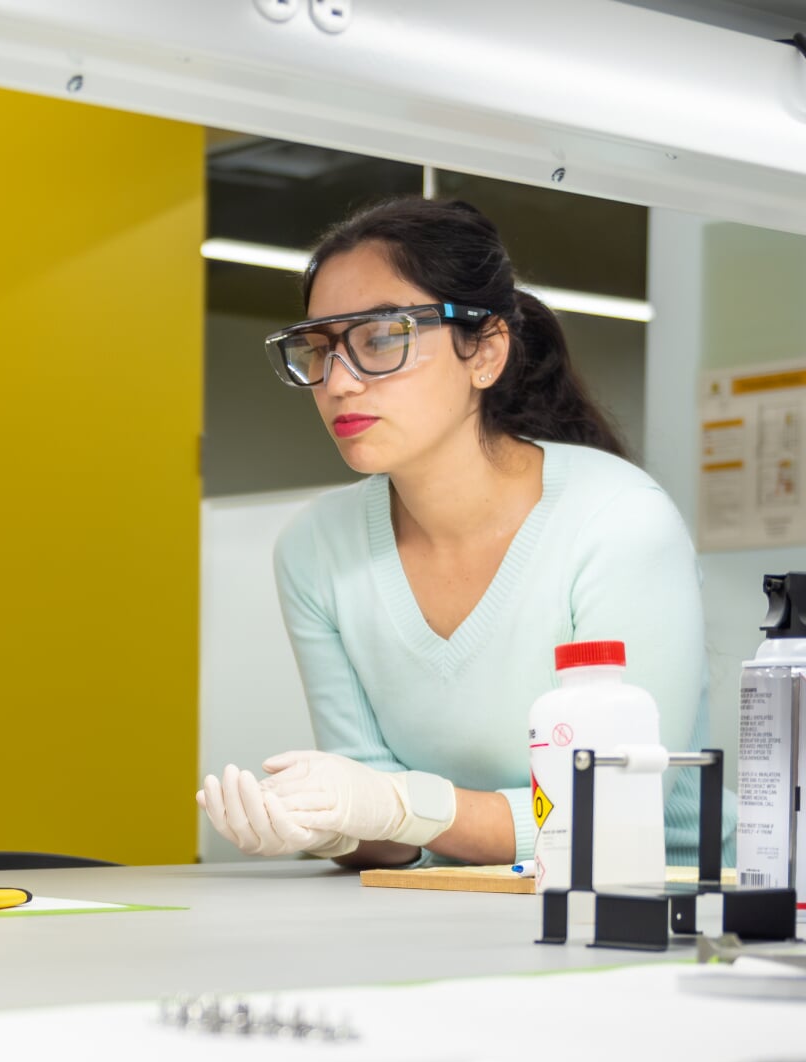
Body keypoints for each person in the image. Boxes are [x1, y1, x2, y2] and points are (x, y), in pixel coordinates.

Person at [200, 197, 730, 869]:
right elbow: (386, 824)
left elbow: (612, 816)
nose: (337, 381)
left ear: (483, 351)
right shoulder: (315, 551)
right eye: (319, 349)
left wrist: (403, 806)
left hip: (673, 906)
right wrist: (328, 826)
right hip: (461, 915)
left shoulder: (618, 520)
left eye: (380, 338)